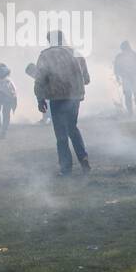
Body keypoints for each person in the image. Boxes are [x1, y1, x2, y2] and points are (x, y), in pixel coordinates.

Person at [34, 31, 92, 175]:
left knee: (61, 134)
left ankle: (66, 168)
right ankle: (83, 159)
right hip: (74, 96)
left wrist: (40, 98)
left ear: (49, 41)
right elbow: (86, 79)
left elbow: (40, 79)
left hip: (57, 97)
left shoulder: (45, 55)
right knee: (72, 128)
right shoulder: (75, 52)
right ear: (63, 39)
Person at [113, 40, 136, 115]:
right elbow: (116, 67)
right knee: (129, 94)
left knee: (135, 93)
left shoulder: (135, 55)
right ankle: (131, 111)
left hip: (134, 77)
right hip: (126, 77)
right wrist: (117, 76)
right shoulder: (120, 57)